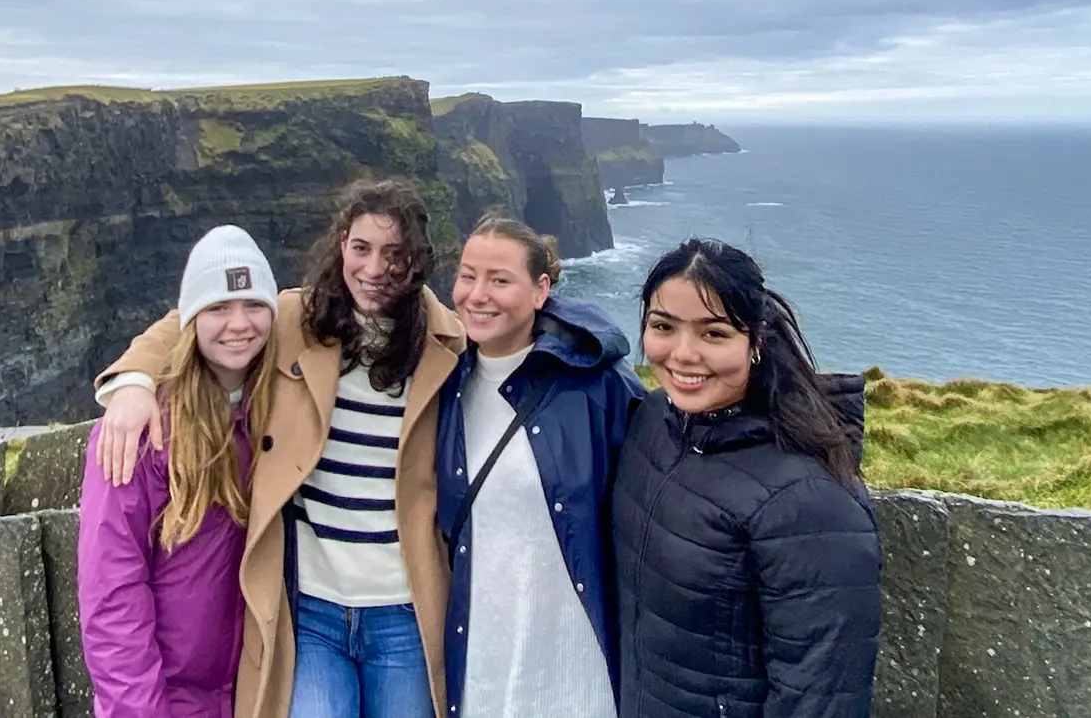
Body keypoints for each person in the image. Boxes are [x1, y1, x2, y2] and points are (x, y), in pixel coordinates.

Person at [88, 179, 466, 718]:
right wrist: (132, 381)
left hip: (403, 608)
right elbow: (192, 316)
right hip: (310, 610)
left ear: (419, 259)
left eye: (395, 253)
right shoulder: (297, 319)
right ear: (341, 245)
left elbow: (511, 337)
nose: (375, 268)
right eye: (361, 248)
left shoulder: (447, 345)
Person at [612, 236, 883, 718]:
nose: (682, 354)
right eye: (663, 326)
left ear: (756, 341)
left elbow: (821, 696)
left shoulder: (807, 497)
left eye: (714, 333)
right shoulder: (654, 421)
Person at [435, 216, 646, 718]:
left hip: (575, 666)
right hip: (481, 661)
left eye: (500, 280)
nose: (478, 295)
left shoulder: (597, 385)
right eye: (467, 276)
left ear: (541, 290)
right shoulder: (443, 385)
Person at [78, 224, 281, 718]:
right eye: (218, 308)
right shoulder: (139, 433)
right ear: (192, 318)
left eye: (254, 305)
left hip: (258, 693)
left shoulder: (279, 410)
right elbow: (112, 592)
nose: (239, 324)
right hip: (165, 697)